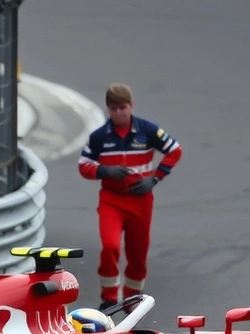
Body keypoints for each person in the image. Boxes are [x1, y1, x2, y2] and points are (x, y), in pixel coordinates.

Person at [78, 83, 182, 309]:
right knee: (110, 246)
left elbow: (174, 150)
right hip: (111, 200)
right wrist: (104, 171)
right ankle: (109, 299)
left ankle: (133, 300)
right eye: (113, 108)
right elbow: (83, 164)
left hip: (141, 200)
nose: (118, 113)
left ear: (131, 106)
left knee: (138, 253)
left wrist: (154, 179)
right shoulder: (99, 137)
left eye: (122, 107)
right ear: (107, 109)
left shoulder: (148, 130)